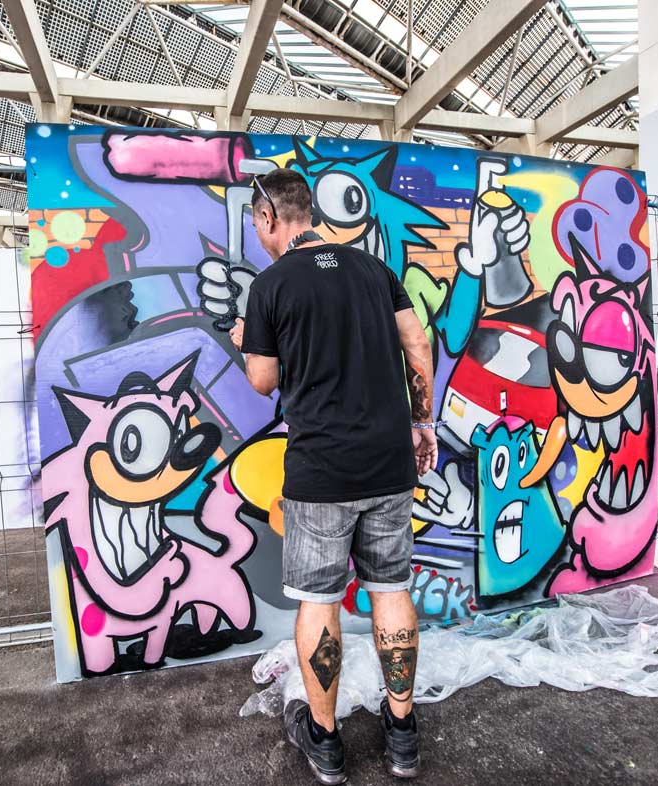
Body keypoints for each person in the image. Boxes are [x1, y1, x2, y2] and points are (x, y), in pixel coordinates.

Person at [229, 169, 437, 784]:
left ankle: (325, 743)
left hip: (321, 472)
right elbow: (417, 346)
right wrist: (421, 422)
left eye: (256, 224)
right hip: (388, 465)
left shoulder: (270, 286)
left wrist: (246, 341)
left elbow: (263, 380)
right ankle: (403, 735)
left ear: (269, 217)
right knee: (391, 589)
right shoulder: (376, 271)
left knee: (319, 602)